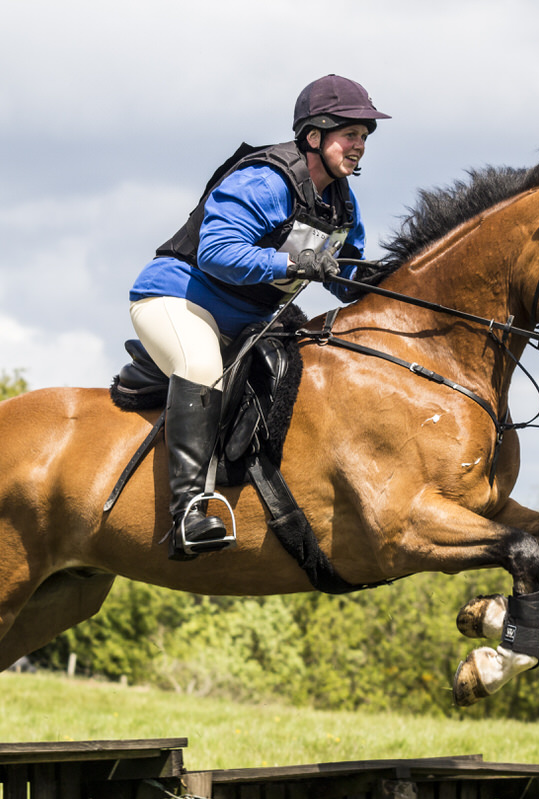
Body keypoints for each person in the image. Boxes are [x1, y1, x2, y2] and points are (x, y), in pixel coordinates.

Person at [129, 74, 391, 560]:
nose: (359, 146)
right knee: (203, 368)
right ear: (313, 135)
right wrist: (294, 264)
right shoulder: (266, 180)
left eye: (364, 138)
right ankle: (187, 512)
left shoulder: (341, 202)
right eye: (350, 134)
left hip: (249, 321)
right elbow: (217, 253)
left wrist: (389, 278)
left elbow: (342, 279)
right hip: (180, 299)